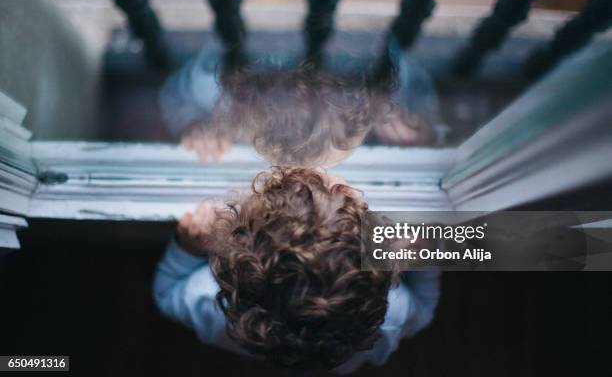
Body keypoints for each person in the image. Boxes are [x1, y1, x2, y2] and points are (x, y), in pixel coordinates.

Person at [153, 167, 440, 373]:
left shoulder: (212, 311)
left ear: (231, 250)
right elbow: (425, 308)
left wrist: (187, 248)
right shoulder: (393, 317)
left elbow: (165, 293)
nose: (329, 173)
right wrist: (425, 253)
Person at [159, 47, 447, 167]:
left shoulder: (388, 82)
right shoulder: (209, 81)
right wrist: (425, 137)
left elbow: (175, 97)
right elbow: (175, 95)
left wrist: (191, 121)